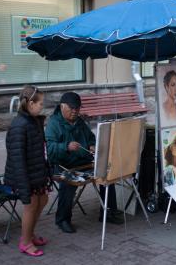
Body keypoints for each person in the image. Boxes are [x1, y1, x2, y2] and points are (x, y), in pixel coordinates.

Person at [45, 92, 123, 234]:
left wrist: (92, 145)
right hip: (62, 165)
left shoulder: (80, 122)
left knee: (107, 173)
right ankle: (63, 220)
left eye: (77, 108)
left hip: (83, 162)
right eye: (72, 108)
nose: (75, 111)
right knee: (68, 182)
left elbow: (91, 138)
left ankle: (108, 212)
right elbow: (50, 150)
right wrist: (66, 147)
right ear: (62, 106)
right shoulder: (53, 124)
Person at [4, 85, 50, 257]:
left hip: (36, 173)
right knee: (30, 206)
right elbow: (17, 161)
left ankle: (30, 234)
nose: (42, 106)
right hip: (23, 176)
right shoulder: (19, 126)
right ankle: (25, 242)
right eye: (40, 103)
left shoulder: (34, 121)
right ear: (30, 103)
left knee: (43, 200)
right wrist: (23, 188)